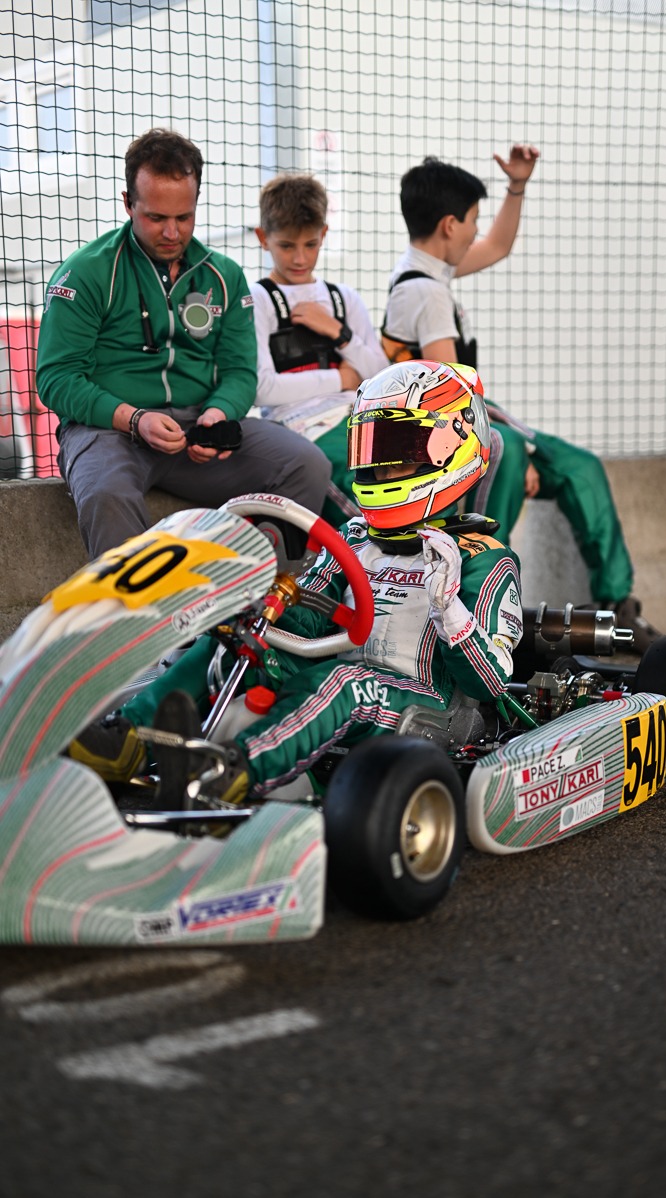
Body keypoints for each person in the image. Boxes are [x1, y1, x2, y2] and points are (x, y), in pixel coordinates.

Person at [67, 360, 524, 807]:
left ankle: (234, 771)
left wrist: (449, 610)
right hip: (339, 679)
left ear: (453, 447)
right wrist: (254, 608)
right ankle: (129, 739)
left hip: (430, 704)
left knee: (342, 682)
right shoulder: (356, 538)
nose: (382, 469)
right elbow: (308, 619)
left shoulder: (485, 559)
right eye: (374, 453)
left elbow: (490, 684)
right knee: (236, 641)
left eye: (397, 452)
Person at [382, 149, 660, 653]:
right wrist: (514, 445)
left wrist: (516, 187)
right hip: (448, 441)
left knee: (579, 467)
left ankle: (619, 604)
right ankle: (490, 604)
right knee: (507, 454)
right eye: (472, 220)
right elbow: (450, 401)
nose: (476, 230)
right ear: (449, 225)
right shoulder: (426, 293)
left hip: (474, 420)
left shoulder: (430, 272)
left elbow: (497, 246)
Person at [36, 128, 330, 561]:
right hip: (108, 430)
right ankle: (136, 606)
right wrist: (134, 419)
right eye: (156, 217)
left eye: (185, 217)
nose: (172, 232)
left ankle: (262, 593)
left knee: (307, 464)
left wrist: (218, 415)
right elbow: (56, 378)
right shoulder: (86, 272)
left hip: (195, 429)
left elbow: (240, 372)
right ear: (128, 203)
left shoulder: (225, 275)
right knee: (106, 493)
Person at [250, 173, 388, 525]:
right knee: (365, 494)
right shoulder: (256, 299)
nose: (300, 258)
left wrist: (338, 332)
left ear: (324, 234)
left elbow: (382, 376)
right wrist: (342, 378)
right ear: (263, 238)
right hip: (298, 429)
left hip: (359, 419)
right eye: (287, 246)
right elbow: (263, 389)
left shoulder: (343, 298)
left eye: (310, 245)